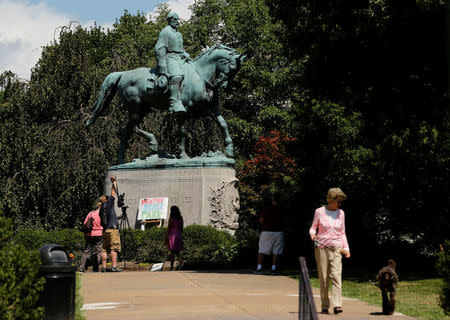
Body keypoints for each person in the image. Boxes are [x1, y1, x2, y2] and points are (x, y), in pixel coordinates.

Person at [309, 188, 350, 315]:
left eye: (341, 202)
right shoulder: (319, 212)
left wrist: (347, 248)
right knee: (324, 278)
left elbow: (342, 232)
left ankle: (337, 305)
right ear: (331, 200)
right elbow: (312, 228)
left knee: (336, 276)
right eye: (338, 202)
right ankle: (325, 305)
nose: (340, 205)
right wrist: (312, 235)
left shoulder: (341, 213)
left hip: (337, 248)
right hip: (321, 248)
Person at [154, 11, 191, 114]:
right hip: (170, 58)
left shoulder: (178, 33)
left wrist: (185, 53)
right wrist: (162, 68)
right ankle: (173, 103)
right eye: (175, 20)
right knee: (177, 76)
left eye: (178, 20)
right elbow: (159, 49)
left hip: (179, 58)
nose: (177, 22)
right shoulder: (165, 32)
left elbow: (180, 48)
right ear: (170, 20)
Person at [254, 195, 284, 275]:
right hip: (278, 231)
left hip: (267, 231)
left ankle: (259, 268)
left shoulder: (267, 209)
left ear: (273, 200)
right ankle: (273, 269)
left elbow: (261, 220)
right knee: (276, 251)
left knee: (261, 250)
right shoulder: (282, 209)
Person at [100, 175, 122, 272]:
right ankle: (114, 266)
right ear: (107, 199)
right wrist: (114, 182)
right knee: (114, 248)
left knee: (104, 249)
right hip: (113, 230)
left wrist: (117, 218)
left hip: (105, 231)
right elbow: (113, 192)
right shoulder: (109, 204)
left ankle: (104, 267)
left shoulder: (101, 208)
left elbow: (106, 218)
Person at [79, 201, 103, 272]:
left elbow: (85, 224)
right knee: (98, 251)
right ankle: (95, 268)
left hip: (89, 234)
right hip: (99, 234)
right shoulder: (102, 214)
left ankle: (82, 267)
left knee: (86, 251)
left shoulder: (91, 213)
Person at [165, 205, 185, 270]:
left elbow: (169, 228)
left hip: (173, 235)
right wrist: (180, 235)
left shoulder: (171, 218)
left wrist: (166, 237)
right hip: (179, 234)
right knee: (177, 252)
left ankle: (172, 266)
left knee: (172, 252)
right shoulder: (180, 218)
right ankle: (181, 261)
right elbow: (181, 227)